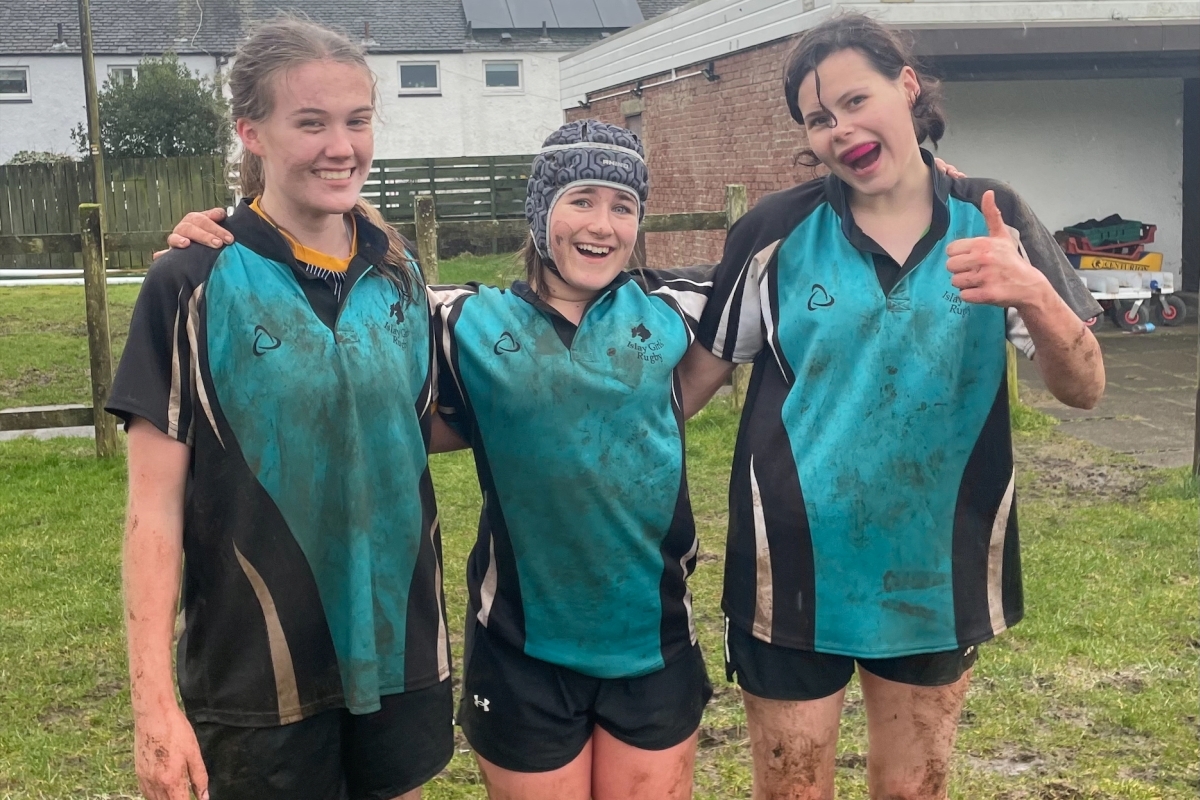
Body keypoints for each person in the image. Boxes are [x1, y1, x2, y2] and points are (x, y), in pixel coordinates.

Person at [164, 120, 717, 800]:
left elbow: (780, 270)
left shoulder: (685, 307)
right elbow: (345, 285)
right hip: (521, 649)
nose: (601, 224)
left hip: (654, 644)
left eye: (623, 206)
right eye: (581, 199)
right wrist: (240, 228)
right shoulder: (456, 321)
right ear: (541, 209)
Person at [679, 13, 1106, 800]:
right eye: (818, 118)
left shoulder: (993, 213)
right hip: (790, 569)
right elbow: (687, 388)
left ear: (907, 88)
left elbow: (1084, 388)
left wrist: (1036, 295)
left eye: (855, 100)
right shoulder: (772, 232)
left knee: (914, 790)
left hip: (936, 564)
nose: (840, 129)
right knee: (792, 790)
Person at [107, 19, 453, 800]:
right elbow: (151, 512)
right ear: (250, 131)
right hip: (258, 683)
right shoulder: (190, 282)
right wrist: (152, 704)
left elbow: (411, 430)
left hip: (399, 656)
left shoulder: (401, 274)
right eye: (311, 122)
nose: (342, 146)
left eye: (357, 121)